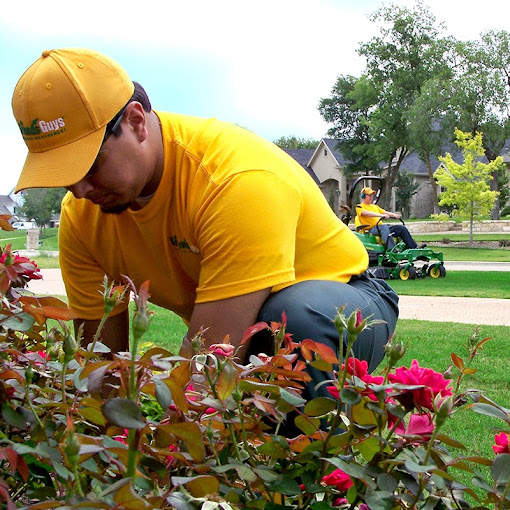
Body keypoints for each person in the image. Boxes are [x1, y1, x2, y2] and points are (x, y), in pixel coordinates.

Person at [12, 48, 399, 399]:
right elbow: (98, 364)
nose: (78, 189)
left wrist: (170, 461)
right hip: (254, 318)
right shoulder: (81, 216)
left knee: (289, 322)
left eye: (89, 165)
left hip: (345, 303)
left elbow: (209, 362)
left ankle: (300, 466)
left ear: (135, 122)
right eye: (62, 173)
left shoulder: (236, 180)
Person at [356, 187, 424, 251]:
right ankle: (393, 249)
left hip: (381, 228)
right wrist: (381, 215)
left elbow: (385, 212)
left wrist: (394, 215)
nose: (371, 197)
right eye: (369, 195)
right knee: (384, 227)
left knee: (401, 228)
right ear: (363, 196)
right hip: (371, 229)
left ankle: (414, 247)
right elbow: (367, 213)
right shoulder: (359, 207)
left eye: (372, 195)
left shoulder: (374, 206)